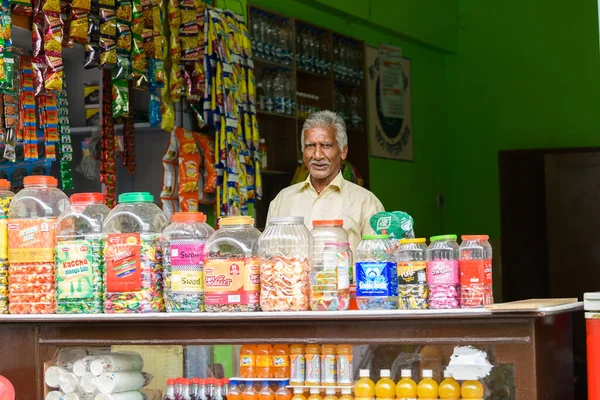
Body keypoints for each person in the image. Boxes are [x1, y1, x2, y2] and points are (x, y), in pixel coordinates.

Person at [267, 110, 384, 251]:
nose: (317, 155)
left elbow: (379, 260)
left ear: (343, 151)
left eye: (326, 145)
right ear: (303, 151)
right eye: (310, 146)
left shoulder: (366, 203)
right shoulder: (282, 200)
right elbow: (268, 256)